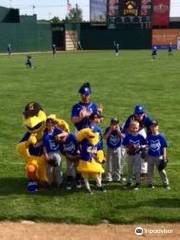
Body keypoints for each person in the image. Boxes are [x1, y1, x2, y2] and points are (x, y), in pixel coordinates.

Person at [122, 121, 147, 190]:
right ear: (130, 128)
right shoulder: (128, 136)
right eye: (133, 128)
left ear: (138, 128)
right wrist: (128, 148)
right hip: (130, 155)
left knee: (137, 169)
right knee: (130, 169)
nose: (134, 129)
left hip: (137, 155)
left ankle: (137, 183)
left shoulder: (140, 137)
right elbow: (124, 145)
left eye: (136, 128)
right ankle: (129, 182)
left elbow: (145, 145)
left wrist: (139, 147)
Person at [146, 120, 170, 190]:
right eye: (152, 126)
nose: (153, 128)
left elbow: (164, 147)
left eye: (155, 126)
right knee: (150, 170)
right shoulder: (149, 136)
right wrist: (146, 155)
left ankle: (166, 183)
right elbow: (147, 147)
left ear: (157, 127)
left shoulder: (161, 137)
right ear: (150, 127)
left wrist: (164, 158)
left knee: (161, 170)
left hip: (159, 156)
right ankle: (150, 183)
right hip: (150, 156)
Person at [43, 118, 63, 187]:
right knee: (49, 170)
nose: (49, 125)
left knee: (58, 169)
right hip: (49, 153)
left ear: (53, 124)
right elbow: (44, 146)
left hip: (57, 152)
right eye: (47, 124)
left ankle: (59, 183)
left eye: (50, 124)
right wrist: (46, 156)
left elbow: (66, 133)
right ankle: (50, 183)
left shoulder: (57, 131)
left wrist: (59, 136)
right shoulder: (45, 134)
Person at [104, 118, 124, 182]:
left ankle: (117, 177)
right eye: (113, 124)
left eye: (116, 124)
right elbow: (105, 137)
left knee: (118, 163)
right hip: (109, 147)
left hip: (118, 148)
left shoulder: (120, 129)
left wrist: (118, 131)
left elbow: (123, 137)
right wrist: (110, 130)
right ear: (110, 124)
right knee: (109, 163)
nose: (114, 125)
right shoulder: (108, 129)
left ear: (118, 124)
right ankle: (108, 177)